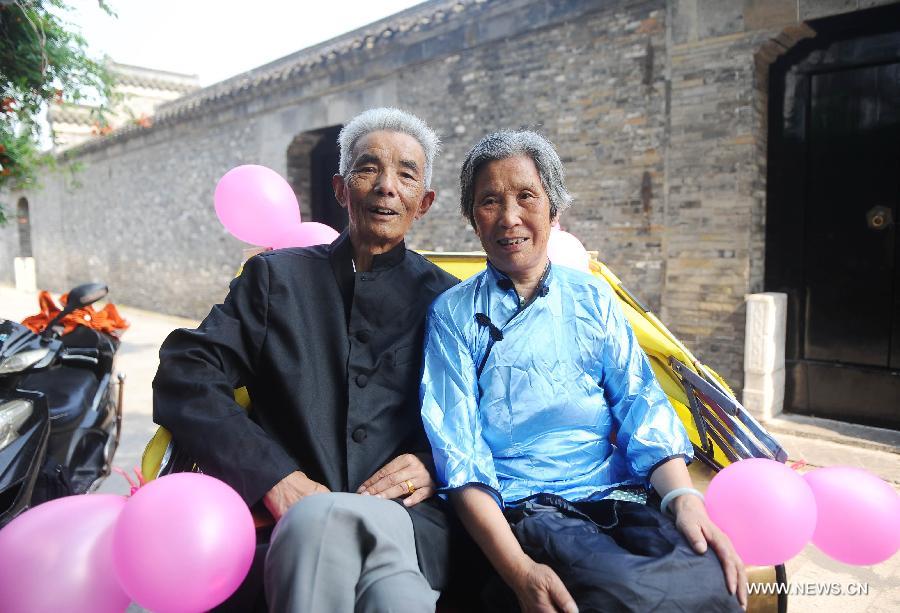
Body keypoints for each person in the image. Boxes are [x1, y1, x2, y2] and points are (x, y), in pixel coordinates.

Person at [420, 130, 747, 612]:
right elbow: (460, 456)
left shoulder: (594, 299)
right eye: (490, 201)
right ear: (473, 219)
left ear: (554, 209)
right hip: (525, 510)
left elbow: (642, 404)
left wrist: (683, 499)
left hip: (618, 497)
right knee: (625, 596)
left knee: (713, 579)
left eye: (526, 196)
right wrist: (518, 570)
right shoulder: (453, 315)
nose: (509, 217)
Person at [153, 108, 459, 612]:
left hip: (410, 525)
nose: (386, 187)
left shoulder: (450, 303)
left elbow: (492, 419)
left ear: (423, 203)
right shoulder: (277, 281)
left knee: (395, 595)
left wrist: (436, 464)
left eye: (406, 174)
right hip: (290, 520)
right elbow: (186, 374)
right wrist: (273, 476)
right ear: (341, 189)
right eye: (368, 168)